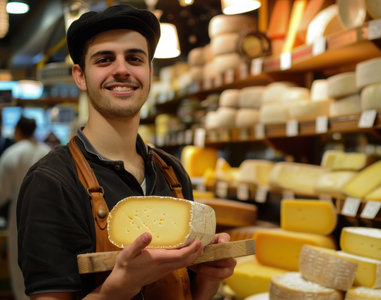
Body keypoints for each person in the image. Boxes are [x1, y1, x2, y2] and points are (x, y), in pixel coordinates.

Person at [17, 4, 236, 300]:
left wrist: (210, 278)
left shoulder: (172, 172)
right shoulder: (51, 182)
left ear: (149, 72)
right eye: (105, 59)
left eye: (134, 58)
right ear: (80, 76)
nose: (122, 69)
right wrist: (117, 290)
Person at [0, 116, 51, 300]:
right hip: (49, 214)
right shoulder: (47, 152)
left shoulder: (11, 154)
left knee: (19, 265)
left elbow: (1, 192)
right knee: (46, 266)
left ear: (17, 131)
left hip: (19, 215)